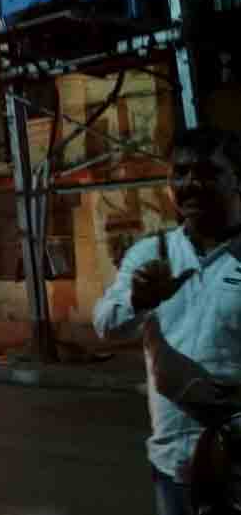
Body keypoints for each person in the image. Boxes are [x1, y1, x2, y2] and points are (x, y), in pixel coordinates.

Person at [94, 127, 241, 515]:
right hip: (172, 462)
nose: (190, 183)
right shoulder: (151, 253)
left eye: (207, 172)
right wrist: (139, 300)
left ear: (236, 178)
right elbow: (106, 326)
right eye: (180, 172)